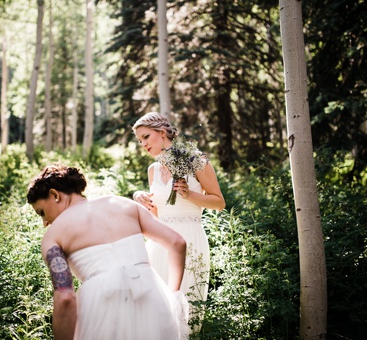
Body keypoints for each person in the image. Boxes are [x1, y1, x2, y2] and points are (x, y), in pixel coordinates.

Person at [28, 164, 188, 339]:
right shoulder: (123, 204)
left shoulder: (53, 236)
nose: (45, 222)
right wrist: (173, 297)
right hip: (151, 297)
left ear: (54, 195)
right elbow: (177, 243)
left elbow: (65, 298)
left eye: (41, 212)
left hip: (101, 306)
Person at [131, 112, 225, 330]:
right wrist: (141, 198)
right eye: (139, 141)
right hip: (159, 243)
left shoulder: (196, 160)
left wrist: (189, 195)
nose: (143, 144)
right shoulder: (153, 170)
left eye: (145, 137)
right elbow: (158, 216)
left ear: (162, 133)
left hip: (189, 239)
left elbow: (219, 203)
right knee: (155, 310)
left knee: (184, 311)